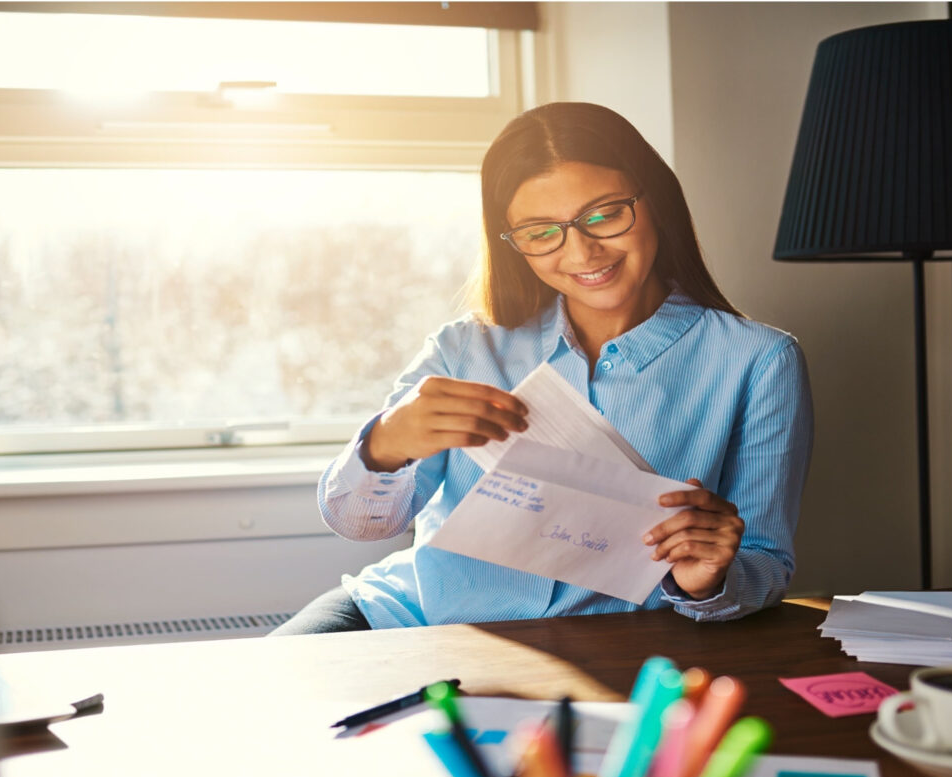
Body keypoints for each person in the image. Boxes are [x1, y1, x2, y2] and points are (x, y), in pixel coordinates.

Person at [271, 102, 814, 635]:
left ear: (657, 203)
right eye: (539, 231)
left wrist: (708, 581)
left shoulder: (759, 362)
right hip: (421, 615)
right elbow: (360, 524)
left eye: (603, 215)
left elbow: (765, 565)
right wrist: (386, 444)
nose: (580, 252)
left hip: (616, 641)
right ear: (513, 244)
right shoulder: (467, 348)